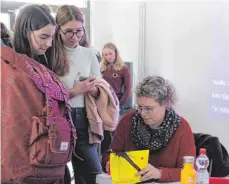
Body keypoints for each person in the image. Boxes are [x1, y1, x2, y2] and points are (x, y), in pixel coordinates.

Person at [1, 4, 74, 184]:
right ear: (26, 31)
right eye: (43, 37)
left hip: (43, 150)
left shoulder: (40, 63)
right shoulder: (8, 67)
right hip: (19, 151)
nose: (48, 43)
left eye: (51, 37)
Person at [102, 75, 196, 182]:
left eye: (149, 109)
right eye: (140, 107)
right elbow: (109, 155)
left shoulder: (181, 127)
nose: (142, 114)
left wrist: (160, 173)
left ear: (165, 103)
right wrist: (110, 163)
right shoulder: (129, 120)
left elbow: (190, 170)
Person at [54, 5, 102, 184]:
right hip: (58, 118)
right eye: (68, 32)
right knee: (58, 173)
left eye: (78, 31)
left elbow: (100, 92)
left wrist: (91, 88)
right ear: (58, 29)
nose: (74, 37)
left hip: (83, 116)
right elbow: (46, 97)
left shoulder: (90, 53)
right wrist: (75, 91)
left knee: (93, 173)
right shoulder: (49, 54)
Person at [100, 42, 131, 116]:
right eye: (106, 55)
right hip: (103, 102)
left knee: (116, 126)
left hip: (116, 102)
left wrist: (120, 103)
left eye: (110, 53)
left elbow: (128, 88)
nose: (108, 57)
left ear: (116, 53)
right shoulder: (102, 68)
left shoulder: (123, 68)